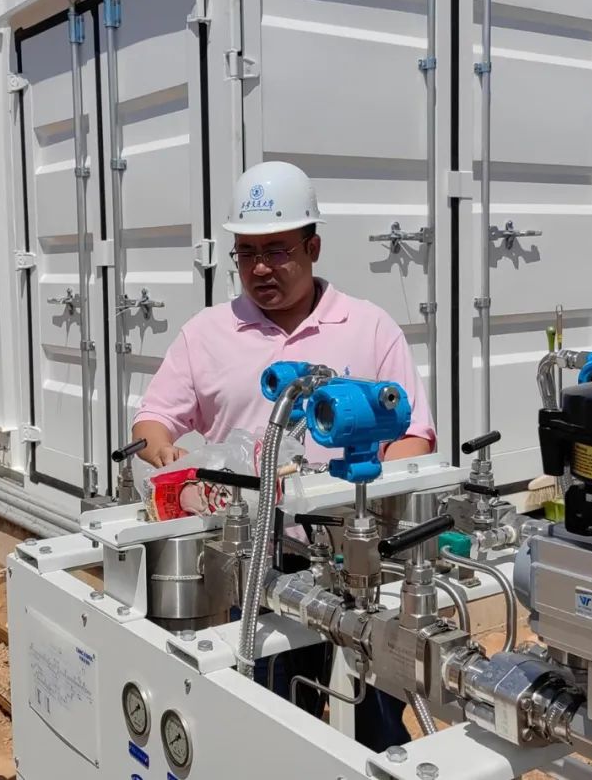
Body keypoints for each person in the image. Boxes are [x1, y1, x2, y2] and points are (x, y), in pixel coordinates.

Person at [132, 160, 435, 750]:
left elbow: (415, 436)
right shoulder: (207, 333)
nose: (260, 268)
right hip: (253, 565)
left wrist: (357, 502)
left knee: (373, 726)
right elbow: (153, 420)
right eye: (246, 253)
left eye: (277, 250)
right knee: (270, 723)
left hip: (358, 560)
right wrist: (169, 459)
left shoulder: (368, 328)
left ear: (313, 247)